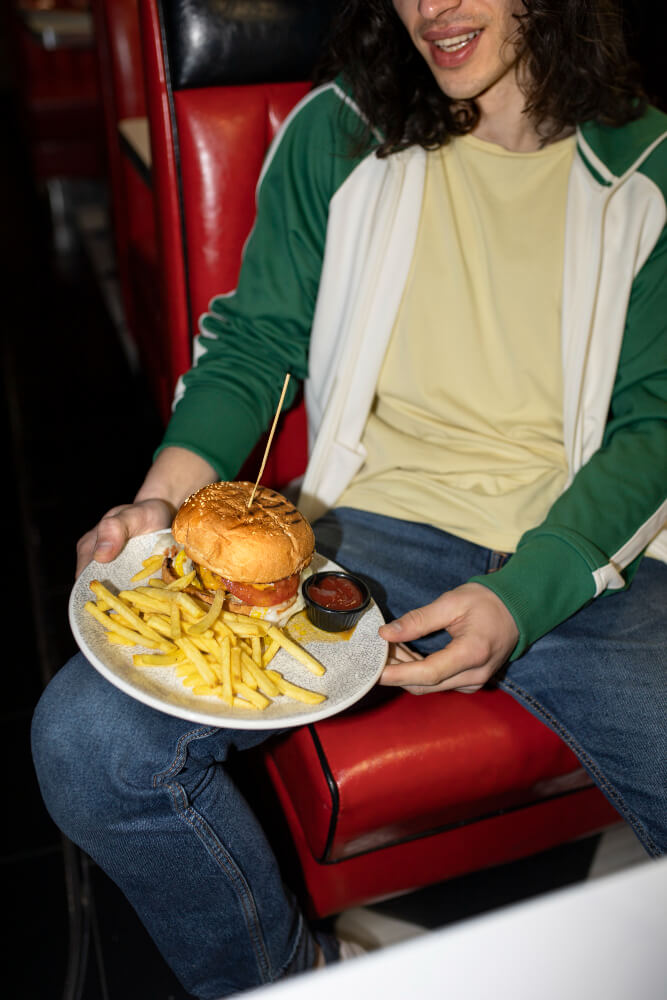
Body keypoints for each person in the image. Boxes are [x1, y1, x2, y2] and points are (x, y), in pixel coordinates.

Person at [32, 0, 666, 996]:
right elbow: (250, 349)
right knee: (87, 742)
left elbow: (652, 428)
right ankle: (297, 979)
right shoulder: (340, 128)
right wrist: (156, 506)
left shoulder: (652, 167)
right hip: (363, 526)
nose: (432, 9)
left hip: (589, 557)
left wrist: (523, 595)